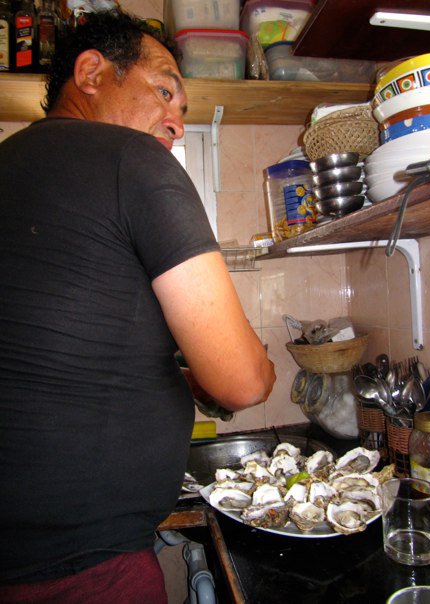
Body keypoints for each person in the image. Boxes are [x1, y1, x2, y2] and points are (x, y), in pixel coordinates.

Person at [0, 9, 276, 603]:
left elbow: (43, 355)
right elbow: (243, 383)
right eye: (164, 91)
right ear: (92, 72)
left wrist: (169, 377)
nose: (176, 124)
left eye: (183, 110)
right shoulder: (133, 159)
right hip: (82, 571)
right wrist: (259, 367)